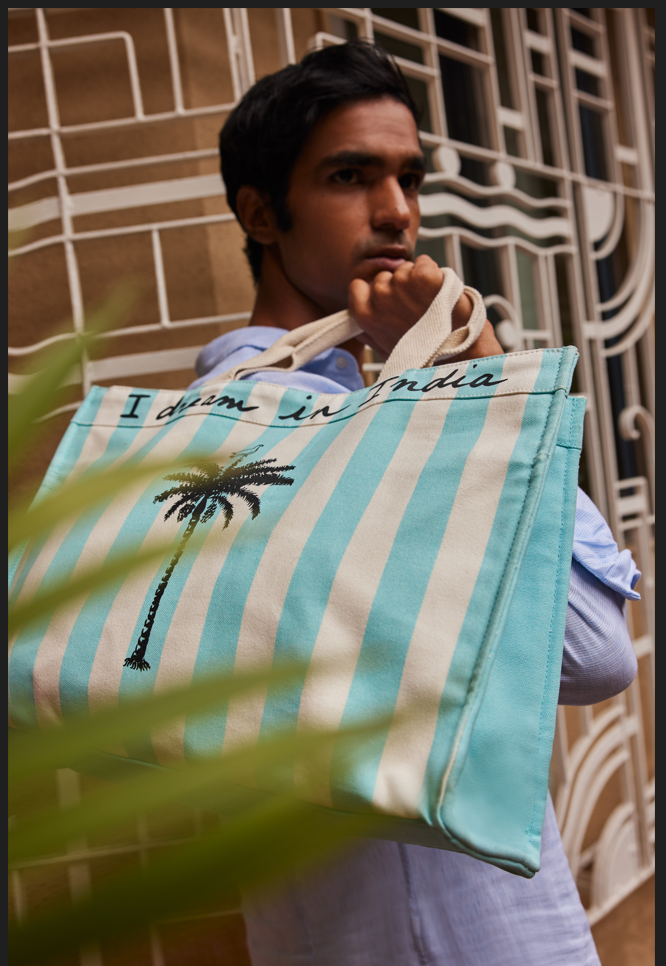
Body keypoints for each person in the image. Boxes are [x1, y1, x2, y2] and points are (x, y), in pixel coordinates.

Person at [190, 40, 640, 966]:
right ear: (260, 213)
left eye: (409, 177)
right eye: (350, 176)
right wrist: (483, 376)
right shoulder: (286, 426)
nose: (397, 211)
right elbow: (593, 651)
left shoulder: (318, 410)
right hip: (442, 932)